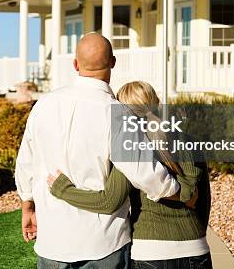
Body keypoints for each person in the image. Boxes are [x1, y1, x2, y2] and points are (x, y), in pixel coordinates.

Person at [15, 33, 181, 269]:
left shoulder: (43, 105)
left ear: (75, 65)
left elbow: (25, 164)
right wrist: (180, 193)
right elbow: (145, 172)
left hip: (52, 242)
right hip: (103, 244)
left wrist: (27, 206)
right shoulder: (116, 112)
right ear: (113, 62)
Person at [48, 81, 212, 269]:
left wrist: (63, 190)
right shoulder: (189, 141)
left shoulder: (131, 148)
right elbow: (203, 200)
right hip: (196, 247)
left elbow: (109, 201)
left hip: (150, 252)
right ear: (156, 102)